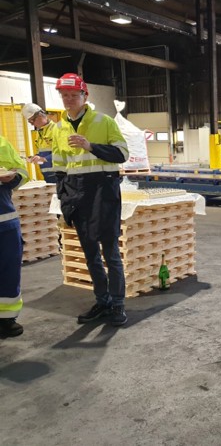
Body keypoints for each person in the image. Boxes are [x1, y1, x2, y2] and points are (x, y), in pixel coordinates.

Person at [50, 73, 129, 326]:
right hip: (76, 195)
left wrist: (91, 146)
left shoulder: (103, 122)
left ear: (86, 96)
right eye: (65, 96)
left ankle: (117, 304)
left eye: (74, 95)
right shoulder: (59, 129)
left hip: (103, 193)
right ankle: (102, 301)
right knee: (90, 254)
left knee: (111, 253)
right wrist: (64, 200)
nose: (69, 100)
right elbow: (60, 169)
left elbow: (122, 154)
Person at [0, 135, 29, 338]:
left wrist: (13, 178)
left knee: (9, 271)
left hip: (6, 220)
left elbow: (22, 170)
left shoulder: (1, 143)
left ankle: (7, 319)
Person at [21, 103, 56, 183]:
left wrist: (44, 159)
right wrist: (36, 157)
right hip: (48, 176)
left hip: (61, 175)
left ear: (40, 115)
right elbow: (42, 153)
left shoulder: (57, 130)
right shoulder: (39, 134)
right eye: (29, 121)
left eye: (32, 120)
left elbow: (63, 152)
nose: (32, 123)